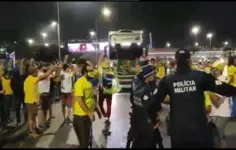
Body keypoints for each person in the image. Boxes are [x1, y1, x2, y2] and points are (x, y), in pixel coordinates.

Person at [156, 49, 236, 148]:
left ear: (176, 61)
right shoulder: (200, 76)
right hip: (199, 133)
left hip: (179, 134)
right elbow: (223, 88)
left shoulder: (167, 80)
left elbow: (156, 101)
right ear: (189, 61)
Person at [128, 60, 163, 148]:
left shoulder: (135, 81)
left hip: (136, 118)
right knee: (150, 143)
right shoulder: (151, 87)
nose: (154, 76)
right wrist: (155, 121)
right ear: (148, 75)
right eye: (152, 74)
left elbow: (131, 98)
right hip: (149, 122)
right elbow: (154, 106)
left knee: (135, 142)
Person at [24, 65, 55, 139]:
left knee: (33, 117)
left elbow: (31, 90)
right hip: (31, 101)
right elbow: (43, 76)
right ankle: (32, 132)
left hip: (32, 100)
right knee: (31, 118)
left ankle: (34, 130)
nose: (37, 72)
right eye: (36, 71)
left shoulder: (29, 79)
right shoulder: (31, 79)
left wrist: (38, 98)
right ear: (32, 72)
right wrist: (51, 69)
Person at [73, 63, 97, 148]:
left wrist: (95, 109)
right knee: (84, 144)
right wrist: (89, 113)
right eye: (90, 71)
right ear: (85, 72)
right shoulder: (80, 82)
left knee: (85, 141)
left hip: (86, 116)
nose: (92, 72)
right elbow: (79, 99)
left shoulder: (88, 82)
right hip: (81, 117)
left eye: (92, 70)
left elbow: (90, 98)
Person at [210, 62, 231, 148]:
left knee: (217, 137)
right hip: (218, 113)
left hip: (221, 114)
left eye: (214, 69)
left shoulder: (221, 81)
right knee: (219, 136)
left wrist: (208, 91)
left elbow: (215, 100)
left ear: (219, 70)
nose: (212, 70)